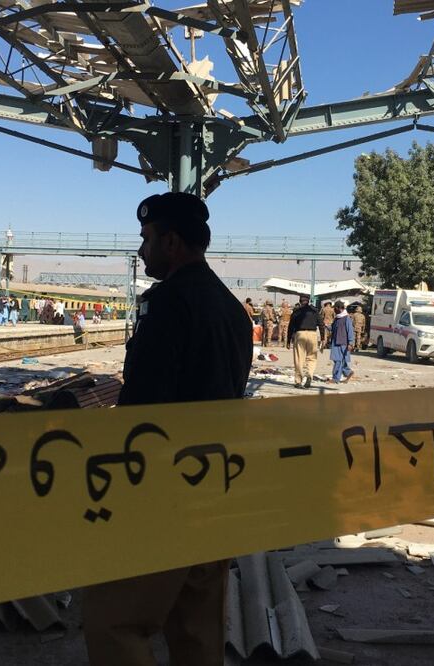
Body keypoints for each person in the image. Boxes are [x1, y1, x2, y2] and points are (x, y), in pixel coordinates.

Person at [82, 192, 251, 666]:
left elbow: (145, 405)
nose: (141, 250)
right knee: (197, 626)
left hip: (163, 490)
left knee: (115, 621)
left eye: (147, 238)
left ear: (171, 242)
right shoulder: (233, 309)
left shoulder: (168, 304)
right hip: (214, 485)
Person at [288, 294, 321, 388]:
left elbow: (291, 326)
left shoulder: (296, 311)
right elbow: (321, 324)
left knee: (299, 358)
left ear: (300, 301)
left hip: (300, 334)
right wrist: (323, 338)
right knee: (312, 357)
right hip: (313, 334)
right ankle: (309, 374)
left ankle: (298, 381)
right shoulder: (314, 310)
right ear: (309, 300)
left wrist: (288, 340)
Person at [329, 300, 356, 383]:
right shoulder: (337, 318)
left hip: (342, 342)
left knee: (338, 360)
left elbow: (350, 331)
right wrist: (326, 326)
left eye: (335, 308)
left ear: (338, 308)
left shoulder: (346, 318)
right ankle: (348, 372)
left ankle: (335, 378)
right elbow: (333, 328)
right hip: (335, 341)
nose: (334, 310)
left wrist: (350, 343)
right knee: (339, 359)